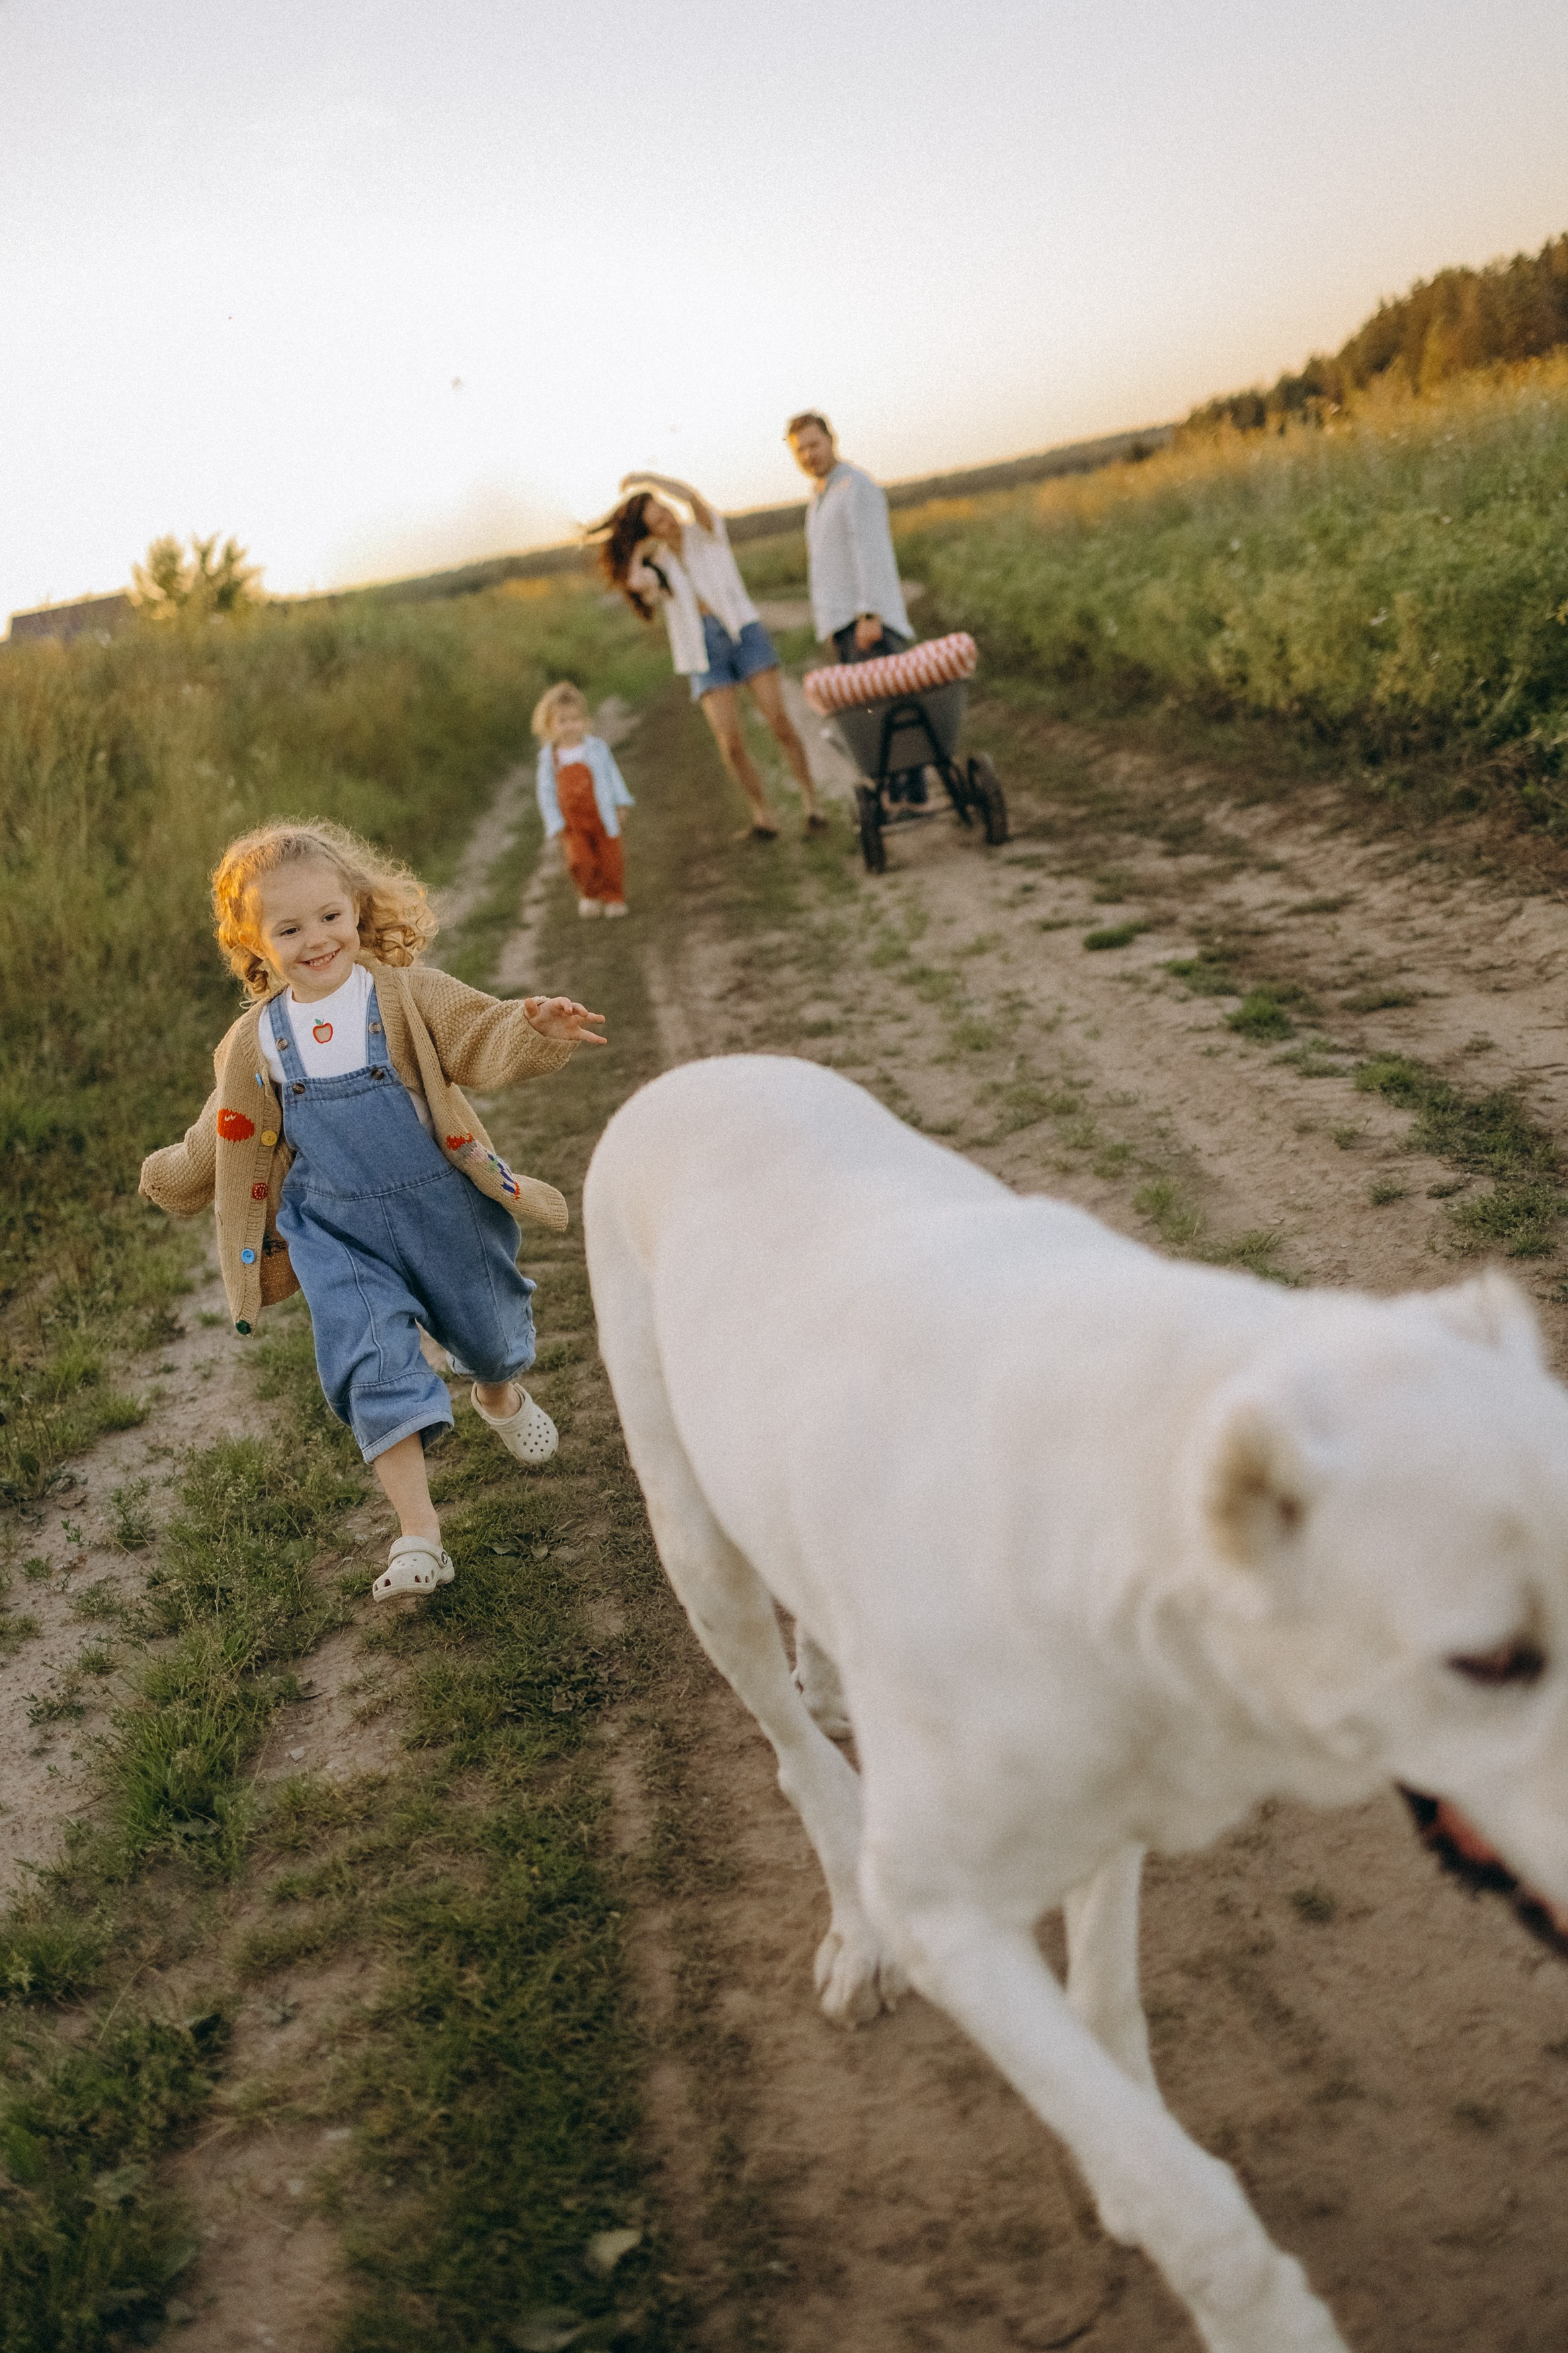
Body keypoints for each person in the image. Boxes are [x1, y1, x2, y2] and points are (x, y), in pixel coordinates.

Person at [139, 820, 605, 1603]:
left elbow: (479, 1030)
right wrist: (171, 1176)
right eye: (288, 928)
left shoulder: (402, 993)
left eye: (329, 916)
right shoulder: (255, 1042)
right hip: (334, 1227)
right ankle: (419, 1532)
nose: (316, 939)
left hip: (441, 1203)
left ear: (357, 907)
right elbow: (223, 1129)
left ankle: (494, 1392)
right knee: (369, 1358)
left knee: (490, 1335)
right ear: (254, 943)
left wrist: (530, 1025)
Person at [596, 475, 825, 840]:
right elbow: (635, 582)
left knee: (778, 720)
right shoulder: (659, 564)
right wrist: (642, 549)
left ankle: (812, 804)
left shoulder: (706, 533)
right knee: (730, 742)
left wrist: (646, 479)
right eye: (657, 522)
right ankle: (763, 816)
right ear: (647, 531)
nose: (668, 522)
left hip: (743, 632)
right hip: (703, 651)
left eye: (667, 513)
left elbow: (693, 498)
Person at [786, 410, 926, 803]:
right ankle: (897, 797)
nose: (809, 455)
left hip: (868, 621)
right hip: (845, 623)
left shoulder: (854, 486)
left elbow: (872, 553)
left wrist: (869, 614)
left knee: (892, 712)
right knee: (873, 718)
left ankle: (910, 797)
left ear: (832, 439)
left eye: (814, 444)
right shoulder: (820, 495)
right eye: (800, 450)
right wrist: (832, 627)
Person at [533, 681, 634, 918]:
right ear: (549, 726)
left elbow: (612, 776)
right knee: (580, 861)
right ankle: (589, 894)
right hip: (572, 823)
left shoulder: (596, 749)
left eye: (574, 719)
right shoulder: (550, 758)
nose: (570, 726)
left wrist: (620, 803)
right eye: (562, 721)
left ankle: (613, 896)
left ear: (585, 721)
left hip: (602, 815)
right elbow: (545, 792)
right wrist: (554, 822)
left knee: (611, 859)